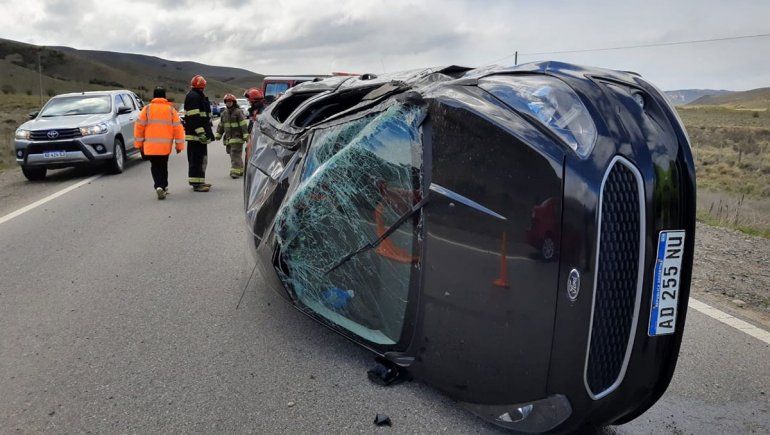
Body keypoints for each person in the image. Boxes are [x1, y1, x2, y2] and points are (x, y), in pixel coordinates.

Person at [134, 86, 184, 200]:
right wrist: (179, 145)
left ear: (154, 96)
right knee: (163, 165)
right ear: (164, 96)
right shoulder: (171, 110)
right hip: (165, 146)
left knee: (155, 166)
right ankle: (163, 186)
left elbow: (139, 127)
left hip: (150, 146)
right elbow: (178, 128)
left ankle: (159, 186)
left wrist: (139, 144)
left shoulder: (146, 109)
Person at [184, 75, 215, 192]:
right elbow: (194, 117)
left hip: (198, 135)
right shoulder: (193, 97)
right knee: (196, 160)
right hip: (196, 136)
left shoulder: (197, 96)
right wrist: (201, 133)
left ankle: (200, 181)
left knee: (201, 159)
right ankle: (197, 184)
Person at [215, 94, 249, 178]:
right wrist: (218, 135)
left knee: (234, 153)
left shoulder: (238, 112)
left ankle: (235, 172)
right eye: (227, 102)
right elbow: (221, 125)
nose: (229, 103)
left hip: (237, 137)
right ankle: (240, 169)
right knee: (232, 154)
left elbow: (243, 124)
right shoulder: (224, 113)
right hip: (228, 139)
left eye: (230, 102)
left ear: (233, 102)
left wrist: (245, 135)